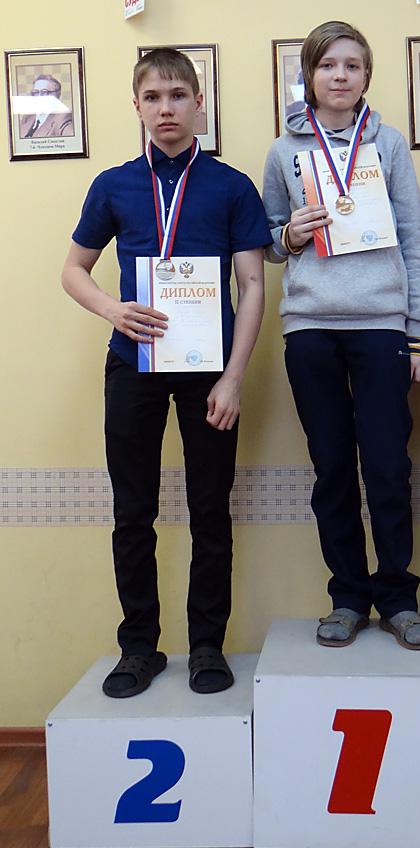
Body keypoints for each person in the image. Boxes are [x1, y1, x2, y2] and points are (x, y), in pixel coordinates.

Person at [61, 48, 271, 698]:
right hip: (134, 364)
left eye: (178, 96)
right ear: (137, 107)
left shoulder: (232, 186)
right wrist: (112, 308)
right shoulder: (114, 185)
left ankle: (207, 646)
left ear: (199, 104)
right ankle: (139, 649)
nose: (166, 108)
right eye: (152, 97)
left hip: (209, 372)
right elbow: (73, 270)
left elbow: (253, 284)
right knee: (133, 512)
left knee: (210, 510)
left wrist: (234, 377)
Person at [262, 20, 420, 651]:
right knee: (332, 469)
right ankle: (347, 597)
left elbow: (415, 239)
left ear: (366, 76)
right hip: (310, 328)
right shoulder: (283, 151)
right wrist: (290, 234)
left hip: (381, 325)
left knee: (388, 467)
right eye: (328, 65)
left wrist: (417, 332)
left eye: (352, 65)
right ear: (309, 75)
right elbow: (267, 242)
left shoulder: (387, 144)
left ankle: (398, 599)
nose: (340, 75)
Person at [19, 73, 74, 138]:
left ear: (57, 95)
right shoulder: (27, 117)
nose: (39, 96)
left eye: (44, 92)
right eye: (36, 92)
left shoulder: (62, 118)